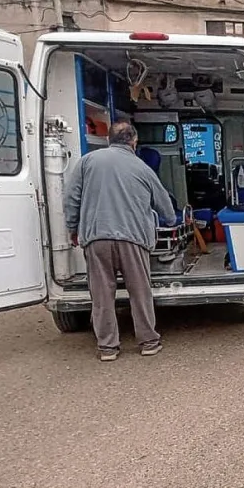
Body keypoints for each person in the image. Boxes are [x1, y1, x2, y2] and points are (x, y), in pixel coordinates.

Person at [63, 122, 176, 361]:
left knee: (102, 295)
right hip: (133, 239)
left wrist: (73, 228)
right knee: (140, 292)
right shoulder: (142, 167)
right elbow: (163, 202)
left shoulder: (87, 161)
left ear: (107, 139)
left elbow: (71, 197)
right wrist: (170, 218)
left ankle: (108, 347)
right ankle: (148, 342)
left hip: (97, 238)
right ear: (133, 141)